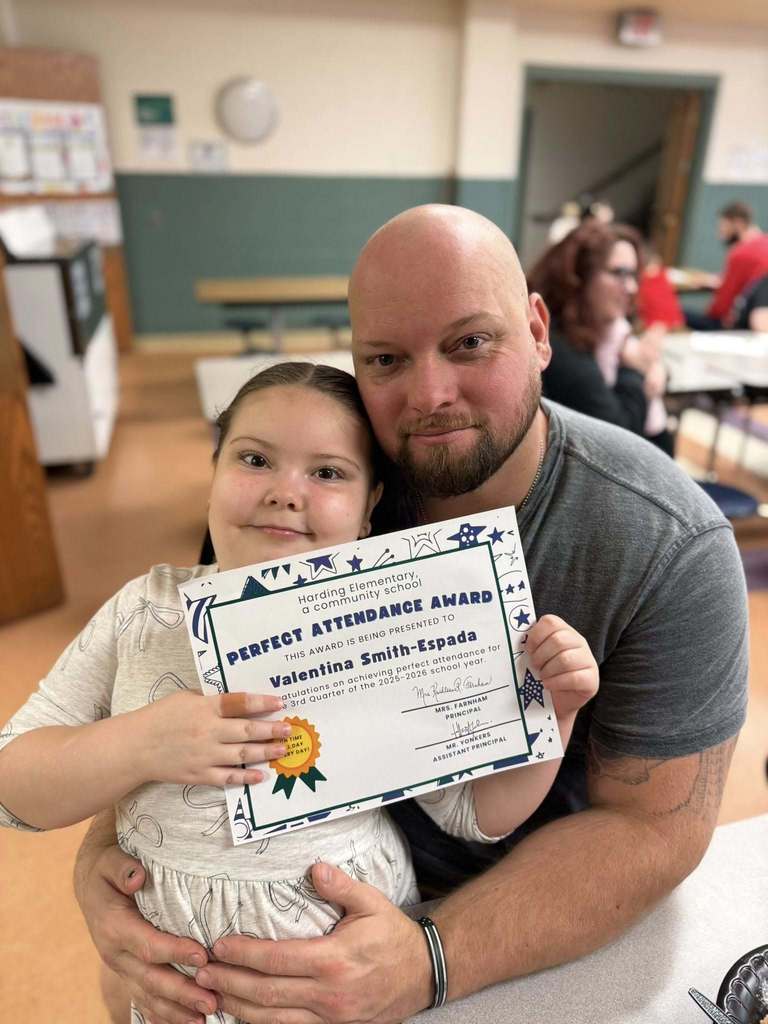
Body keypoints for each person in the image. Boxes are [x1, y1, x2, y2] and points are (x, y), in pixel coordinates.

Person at [73, 206, 747, 1024]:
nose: (429, 396)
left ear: (538, 330)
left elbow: (652, 830)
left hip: (521, 923)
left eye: (470, 342)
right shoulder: (313, 486)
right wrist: (105, 858)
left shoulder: (667, 543)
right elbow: (190, 688)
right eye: (387, 359)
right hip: (279, 905)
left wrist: (429, 957)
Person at [0, 360, 598, 1023]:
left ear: (371, 507)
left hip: (345, 980)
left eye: (327, 472)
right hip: (179, 984)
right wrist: (139, 744)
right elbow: (13, 782)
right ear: (213, 473)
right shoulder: (141, 612)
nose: (287, 492)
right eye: (255, 459)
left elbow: (479, 813)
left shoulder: (393, 627)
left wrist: (551, 712)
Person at [528, 220, 674, 455]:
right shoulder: (558, 347)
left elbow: (650, 363)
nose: (632, 287)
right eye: (619, 273)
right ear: (579, 277)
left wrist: (657, 368)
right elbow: (620, 441)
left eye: (633, 274)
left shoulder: (609, 328)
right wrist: (634, 370)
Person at [686, 200, 768, 330]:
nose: (721, 235)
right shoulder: (764, 243)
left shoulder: (741, 253)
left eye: (723, 227)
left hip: (736, 325)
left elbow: (721, 306)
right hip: (755, 321)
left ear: (738, 224)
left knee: (677, 312)